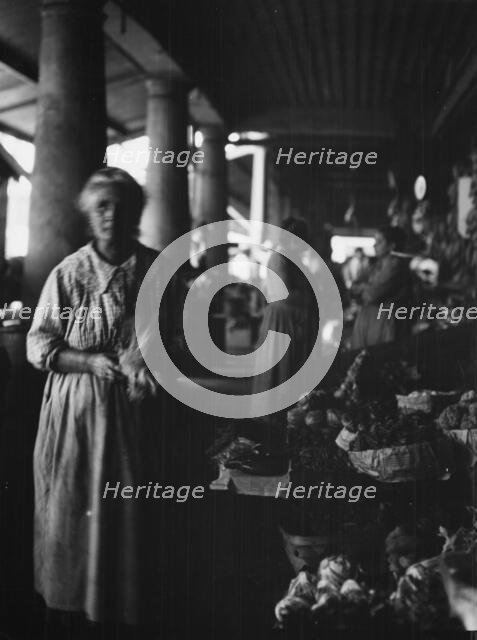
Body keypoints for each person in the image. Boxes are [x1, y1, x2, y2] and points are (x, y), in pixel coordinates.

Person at [26, 168, 184, 635]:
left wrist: (148, 358)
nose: (112, 215)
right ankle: (73, 610)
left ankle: (123, 615)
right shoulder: (69, 274)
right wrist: (89, 362)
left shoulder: (157, 271)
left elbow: (180, 335)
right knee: (75, 514)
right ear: (89, 216)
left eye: (122, 205)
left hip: (138, 417)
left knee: (129, 519)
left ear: (136, 212)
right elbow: (39, 344)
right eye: (102, 207)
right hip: (77, 419)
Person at [251, 217, 318, 404]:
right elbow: (284, 294)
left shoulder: (294, 260)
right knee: (280, 367)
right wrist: (309, 296)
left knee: (291, 366)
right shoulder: (279, 258)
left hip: (292, 318)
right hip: (282, 319)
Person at [350, 226, 411, 349]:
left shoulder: (394, 265)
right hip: (372, 322)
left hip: (383, 323)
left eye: (380, 242)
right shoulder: (377, 265)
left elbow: (372, 294)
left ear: (391, 245)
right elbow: (355, 288)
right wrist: (364, 288)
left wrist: (363, 289)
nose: (375, 245)